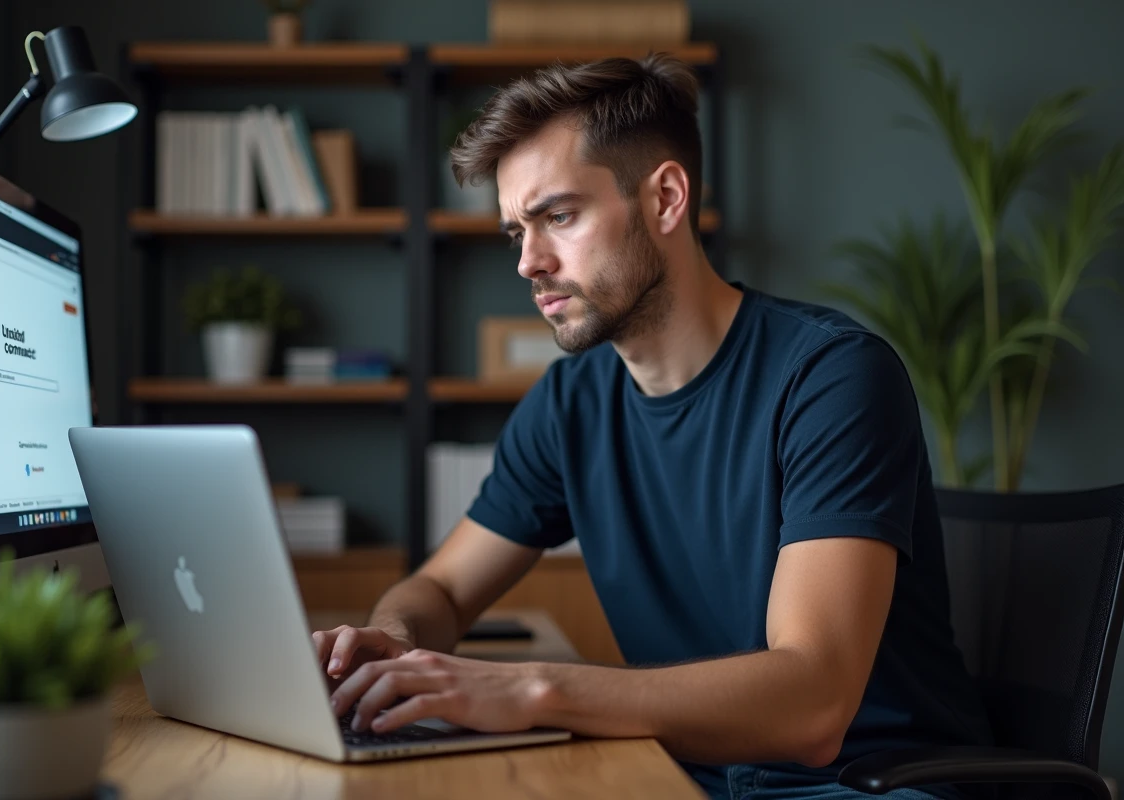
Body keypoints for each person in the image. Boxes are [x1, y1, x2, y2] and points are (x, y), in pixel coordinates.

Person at [313, 53, 993, 800]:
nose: (528, 263)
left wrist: (534, 691)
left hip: (864, 787)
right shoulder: (571, 402)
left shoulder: (832, 378)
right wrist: (395, 650)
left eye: (559, 216)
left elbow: (813, 704)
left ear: (665, 198)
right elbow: (440, 590)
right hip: (686, 780)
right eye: (516, 232)